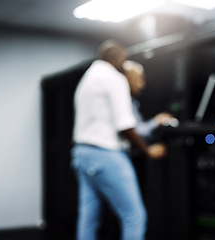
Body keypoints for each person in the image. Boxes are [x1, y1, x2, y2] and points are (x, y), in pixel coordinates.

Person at [71, 40, 166, 240]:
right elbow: (125, 125)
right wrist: (147, 151)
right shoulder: (113, 78)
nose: (124, 65)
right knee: (134, 216)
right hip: (106, 154)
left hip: (82, 154)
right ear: (115, 59)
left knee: (88, 218)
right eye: (123, 60)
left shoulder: (86, 80)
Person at [123, 60, 178, 143]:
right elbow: (137, 132)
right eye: (139, 79)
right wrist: (157, 121)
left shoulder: (132, 102)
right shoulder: (125, 102)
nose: (142, 85)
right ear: (127, 79)